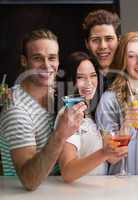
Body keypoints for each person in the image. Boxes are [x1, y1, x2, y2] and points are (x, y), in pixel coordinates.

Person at [0, 29, 86, 190]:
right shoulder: (16, 110)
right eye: (37, 58)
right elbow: (29, 181)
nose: (46, 65)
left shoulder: (55, 94)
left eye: (52, 58)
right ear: (24, 61)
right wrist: (60, 134)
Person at [96, 31, 138, 175]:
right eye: (132, 56)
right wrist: (127, 123)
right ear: (123, 60)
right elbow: (111, 158)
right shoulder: (109, 99)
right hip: (123, 184)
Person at [57, 52, 128, 183]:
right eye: (80, 77)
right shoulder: (69, 114)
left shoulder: (91, 112)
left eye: (93, 75)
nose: (89, 83)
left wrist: (128, 121)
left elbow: (111, 159)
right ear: (70, 80)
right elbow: (67, 172)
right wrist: (104, 153)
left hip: (98, 191)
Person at [82, 9, 120, 94]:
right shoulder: (78, 79)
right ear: (87, 43)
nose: (103, 46)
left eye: (109, 39)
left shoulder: (131, 73)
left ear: (119, 40)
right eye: (95, 40)